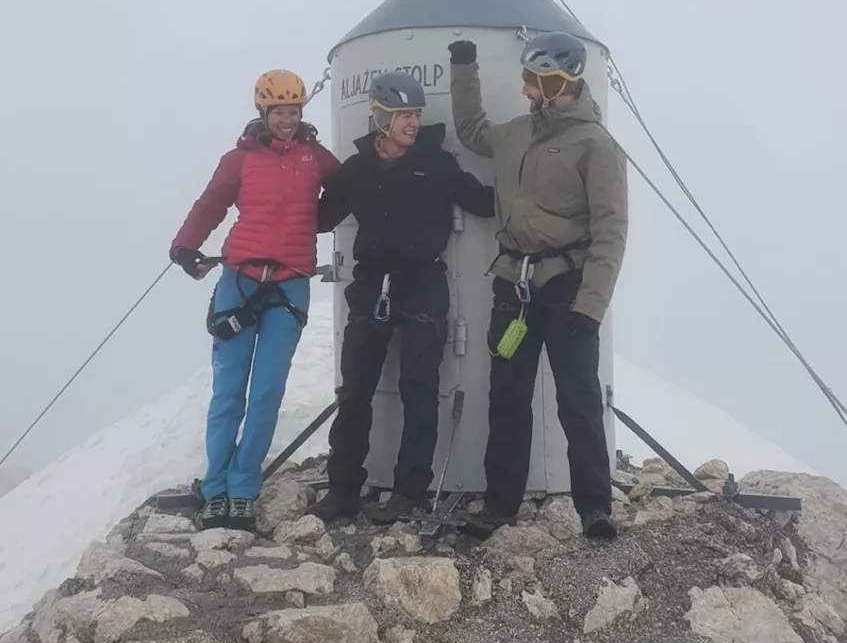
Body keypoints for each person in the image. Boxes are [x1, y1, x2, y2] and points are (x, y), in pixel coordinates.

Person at [449, 33, 627, 540]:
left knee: (578, 399)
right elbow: (470, 130)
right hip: (513, 283)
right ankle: (500, 505)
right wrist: (464, 67)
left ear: (559, 82)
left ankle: (595, 508)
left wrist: (590, 307)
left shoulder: (596, 144)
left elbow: (611, 231)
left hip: (568, 287)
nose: (526, 91)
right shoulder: (516, 134)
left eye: (535, 81)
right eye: (526, 80)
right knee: (507, 396)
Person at [312, 71, 494, 525]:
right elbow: (318, 216)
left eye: (415, 114)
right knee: (355, 391)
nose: (413, 122)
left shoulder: (437, 163)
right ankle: (343, 490)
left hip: (422, 288)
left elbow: (483, 202)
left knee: (419, 392)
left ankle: (410, 492)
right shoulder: (355, 170)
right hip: (371, 287)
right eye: (403, 115)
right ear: (381, 117)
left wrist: (533, 183)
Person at [170, 69, 339, 531]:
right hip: (239, 282)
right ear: (263, 112)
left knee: (266, 392)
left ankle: (241, 490)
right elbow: (211, 204)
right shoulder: (239, 160)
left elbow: (350, 190)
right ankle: (215, 488)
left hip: (289, 285)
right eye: (279, 111)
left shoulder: (316, 158)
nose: (287, 120)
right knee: (228, 393)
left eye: (295, 111)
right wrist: (185, 246)